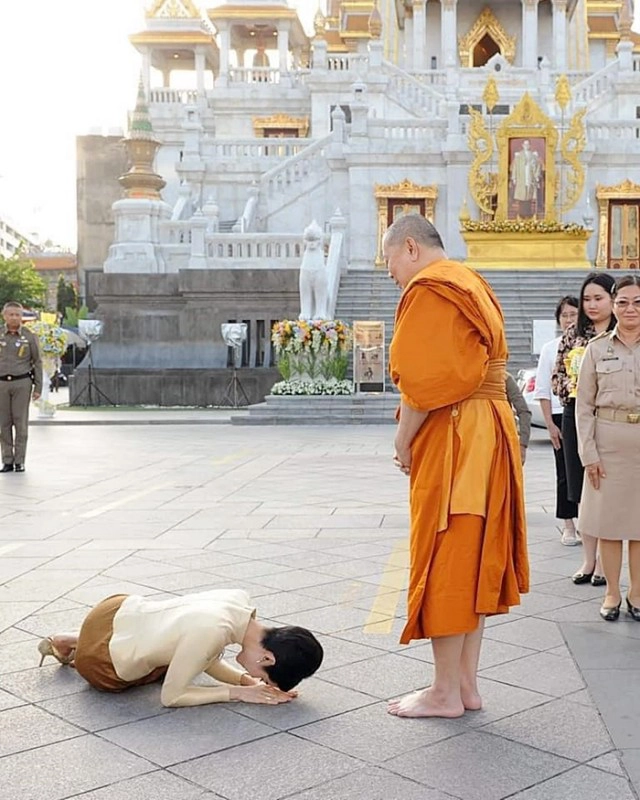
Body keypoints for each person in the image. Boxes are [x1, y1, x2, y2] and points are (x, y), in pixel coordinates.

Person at [384, 214, 528, 719]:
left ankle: (445, 691)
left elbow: (425, 382)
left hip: (459, 434)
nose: (391, 276)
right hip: (489, 429)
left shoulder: (431, 288)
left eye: (390, 264)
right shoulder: (471, 281)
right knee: (471, 555)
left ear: (410, 247)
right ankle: (465, 685)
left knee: (448, 553)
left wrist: (403, 440)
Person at [37, 588, 323, 707]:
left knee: (177, 646)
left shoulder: (239, 600)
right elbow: (172, 696)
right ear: (267, 658)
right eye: (264, 677)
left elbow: (201, 653)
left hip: (115, 610)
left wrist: (246, 681)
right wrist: (238, 693)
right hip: (102, 662)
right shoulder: (211, 633)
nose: (258, 678)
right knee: (168, 671)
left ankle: (69, 639)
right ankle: (81, 646)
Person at [576, 275, 640, 622]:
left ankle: (637, 593)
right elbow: (584, 406)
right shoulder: (597, 348)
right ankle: (612, 592)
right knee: (609, 525)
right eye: (623, 302)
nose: (631, 309)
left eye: (638, 302)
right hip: (608, 444)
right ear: (614, 307)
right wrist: (589, 455)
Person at [553, 273, 616, 585]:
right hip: (576, 414)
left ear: (612, 300)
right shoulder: (572, 335)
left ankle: (605, 563)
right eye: (587, 299)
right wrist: (576, 386)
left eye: (598, 298)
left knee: (607, 489)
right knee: (581, 490)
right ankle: (588, 560)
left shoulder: (623, 333)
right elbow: (557, 377)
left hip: (610, 417)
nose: (592, 305)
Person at [534, 295, 580, 545]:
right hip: (560, 414)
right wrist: (550, 425)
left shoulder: (589, 343)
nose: (569, 320)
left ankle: (588, 521)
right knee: (564, 471)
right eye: (564, 315)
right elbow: (543, 389)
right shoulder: (551, 349)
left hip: (586, 413)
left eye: (574, 314)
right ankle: (568, 524)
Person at [0, 301, 42, 473]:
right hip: (2, 383)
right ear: (4, 316)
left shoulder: (29, 336)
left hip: (22, 383)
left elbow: (37, 361)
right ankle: (7, 460)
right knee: (3, 424)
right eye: (11, 314)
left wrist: (38, 387)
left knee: (20, 422)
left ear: (22, 317)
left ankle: (20, 461)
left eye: (17, 314)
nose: (14, 318)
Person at [510, 140, 541, 217]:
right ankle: (521, 213)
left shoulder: (533, 155)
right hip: (521, 177)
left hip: (530, 176)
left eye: (528, 144)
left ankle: (528, 213)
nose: (526, 146)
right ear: (522, 145)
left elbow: (538, 166)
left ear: (529, 145)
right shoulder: (518, 156)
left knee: (529, 194)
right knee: (522, 195)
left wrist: (536, 176)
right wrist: (514, 177)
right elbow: (515, 167)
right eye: (525, 144)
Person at [506, 372, 531, 465]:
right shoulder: (468, 379)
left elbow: (524, 412)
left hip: (502, 439)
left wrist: (522, 445)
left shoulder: (504, 379)